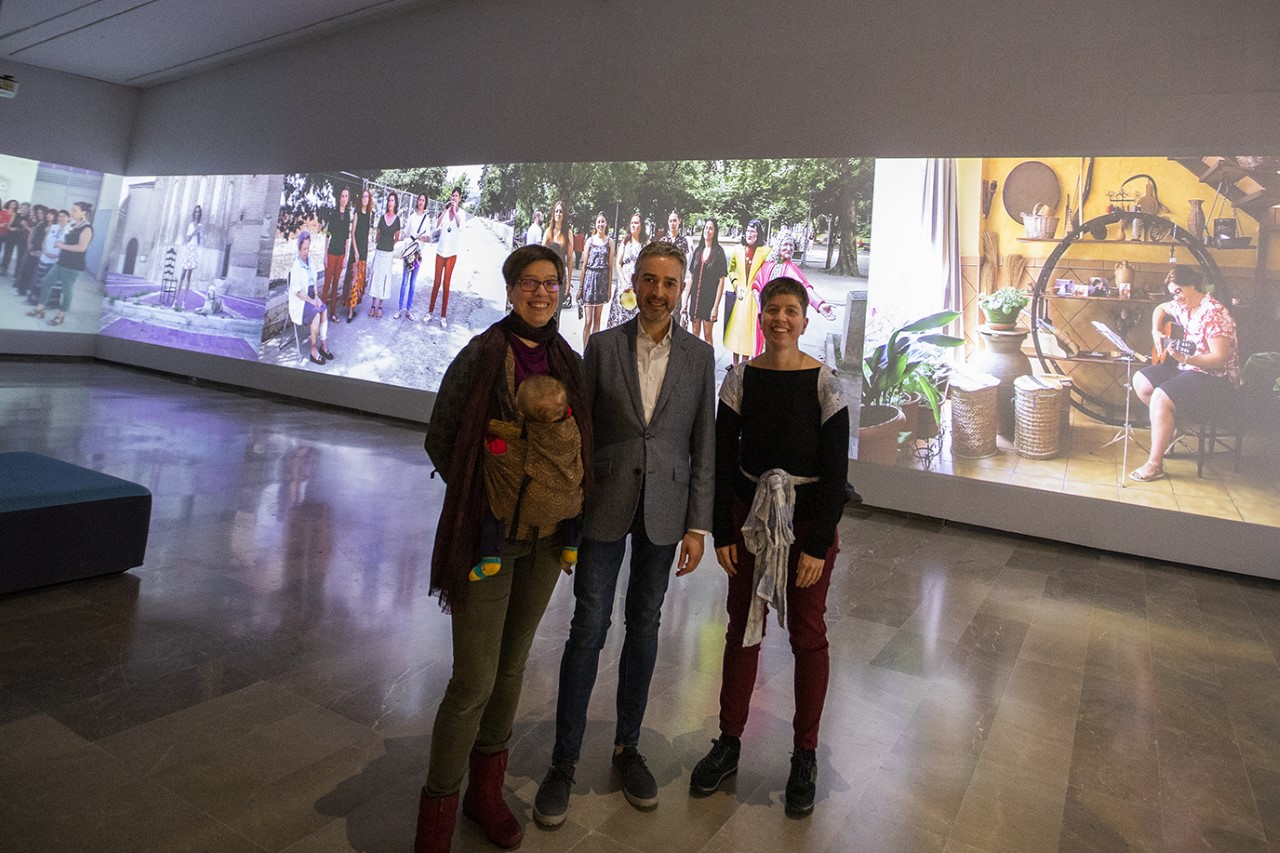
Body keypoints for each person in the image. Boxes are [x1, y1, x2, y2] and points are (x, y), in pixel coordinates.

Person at [416, 244, 592, 853]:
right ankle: (435, 819)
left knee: (513, 667)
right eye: (528, 282)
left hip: (547, 542)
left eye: (550, 282)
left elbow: (580, 444)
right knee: (473, 678)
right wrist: (484, 491)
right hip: (488, 539)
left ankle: (483, 796)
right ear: (510, 288)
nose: (540, 292)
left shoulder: (569, 360)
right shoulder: (483, 354)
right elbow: (443, 435)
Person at [533, 240, 716, 827]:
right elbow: (579, 434)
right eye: (650, 279)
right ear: (633, 283)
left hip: (665, 513)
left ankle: (626, 749)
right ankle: (562, 762)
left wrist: (697, 523)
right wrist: (566, 515)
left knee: (645, 627)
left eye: (670, 282)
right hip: (603, 507)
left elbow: (703, 445)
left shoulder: (699, 356)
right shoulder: (602, 346)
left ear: (682, 289)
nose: (659, 291)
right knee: (587, 627)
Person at [690, 276, 849, 818]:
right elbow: (720, 456)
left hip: (805, 528)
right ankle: (729, 741)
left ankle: (804, 755)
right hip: (749, 519)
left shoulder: (825, 383)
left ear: (805, 319)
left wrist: (818, 544)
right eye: (772, 310)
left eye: (791, 311)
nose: (781, 319)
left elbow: (835, 472)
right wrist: (723, 530)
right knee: (741, 630)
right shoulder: (740, 377)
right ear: (760, 318)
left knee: (808, 634)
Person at [1130, 265, 1239, 482]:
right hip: (1189, 368)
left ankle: (1155, 464)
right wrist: (1156, 331)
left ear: (1192, 285)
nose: (1176, 298)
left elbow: (1219, 358)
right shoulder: (1186, 306)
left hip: (1216, 378)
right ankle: (1174, 427)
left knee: (1161, 396)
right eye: (1173, 293)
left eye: (1179, 291)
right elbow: (1160, 309)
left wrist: (1185, 359)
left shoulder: (1215, 313)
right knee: (1141, 381)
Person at [476, 374, 583, 578]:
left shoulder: (520, 442)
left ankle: (491, 558)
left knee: (494, 508)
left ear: (522, 413)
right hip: (566, 506)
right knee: (574, 505)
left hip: (526, 510)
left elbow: (499, 453)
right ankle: (571, 548)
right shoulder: (573, 430)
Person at [28, 201, 94, 327]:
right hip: (61, 261)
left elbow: (81, 248)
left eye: (74, 210)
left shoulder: (87, 228)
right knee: (46, 281)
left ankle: (60, 316)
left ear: (83, 213)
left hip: (73, 265)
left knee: (66, 290)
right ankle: (40, 309)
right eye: (72, 210)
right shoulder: (74, 225)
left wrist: (62, 245)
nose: (71, 213)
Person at [753, 234, 837, 321]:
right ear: (778, 246)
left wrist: (819, 305)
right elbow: (756, 285)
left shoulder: (790, 268)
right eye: (785, 244)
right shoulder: (767, 265)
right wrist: (759, 301)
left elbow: (804, 288)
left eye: (791, 245)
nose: (788, 249)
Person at [724, 218, 771, 363]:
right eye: (748, 230)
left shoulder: (766, 252)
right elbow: (731, 270)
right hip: (741, 297)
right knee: (735, 332)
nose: (750, 234)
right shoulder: (738, 250)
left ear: (759, 234)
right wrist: (736, 285)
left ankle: (746, 365)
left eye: (753, 231)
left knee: (749, 334)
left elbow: (768, 273)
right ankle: (734, 364)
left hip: (755, 298)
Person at [286, 231, 335, 365]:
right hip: (300, 301)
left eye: (308, 248)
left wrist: (317, 297)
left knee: (323, 309)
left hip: (311, 297)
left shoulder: (310, 260)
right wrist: (312, 301)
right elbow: (298, 293)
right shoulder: (296, 266)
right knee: (316, 315)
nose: (306, 251)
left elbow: (313, 281)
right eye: (304, 249)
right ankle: (313, 351)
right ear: (299, 248)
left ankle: (323, 345)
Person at [685, 216, 729, 346]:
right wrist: (685, 301)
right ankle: (694, 364)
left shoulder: (719, 252)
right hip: (696, 299)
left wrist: (715, 307)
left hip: (709, 301)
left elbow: (721, 281)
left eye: (711, 228)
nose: (707, 231)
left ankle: (708, 364)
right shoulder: (698, 251)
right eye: (706, 228)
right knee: (694, 335)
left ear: (714, 232)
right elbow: (691, 278)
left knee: (707, 337)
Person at [428, 186, 467, 328]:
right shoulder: (446, 210)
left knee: (446, 284)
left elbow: (460, 226)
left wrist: (455, 210)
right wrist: (446, 210)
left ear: (460, 198)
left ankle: (443, 316)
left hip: (451, 254)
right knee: (436, 282)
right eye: (452, 196)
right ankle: (430, 312)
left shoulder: (461, 213)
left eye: (456, 196)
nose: (454, 198)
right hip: (440, 252)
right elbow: (436, 225)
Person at [577, 211, 614, 346]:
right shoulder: (590, 241)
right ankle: (585, 350)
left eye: (602, 221)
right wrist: (580, 287)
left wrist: (609, 288)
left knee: (597, 320)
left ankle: (593, 351)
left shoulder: (610, 242)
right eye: (598, 222)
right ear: (595, 224)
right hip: (589, 281)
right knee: (588, 321)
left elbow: (610, 267)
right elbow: (584, 265)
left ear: (606, 224)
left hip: (602, 281)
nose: (600, 224)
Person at [608, 212, 645, 328]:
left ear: (641, 225)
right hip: (623, 286)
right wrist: (624, 282)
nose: (634, 225)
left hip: (638, 286)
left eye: (637, 223)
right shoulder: (625, 242)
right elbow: (618, 264)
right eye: (632, 223)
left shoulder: (646, 244)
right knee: (620, 318)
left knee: (635, 321)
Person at [322, 186, 353, 322]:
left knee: (335, 285)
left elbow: (347, 237)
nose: (344, 198)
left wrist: (346, 256)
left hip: (341, 254)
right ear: (339, 198)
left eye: (346, 196)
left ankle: (332, 312)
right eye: (342, 196)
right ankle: (321, 313)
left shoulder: (347, 215)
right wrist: (325, 255)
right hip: (331, 253)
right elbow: (327, 234)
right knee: (327, 284)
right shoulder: (334, 213)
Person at [398, 193, 431, 320]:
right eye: (420, 199)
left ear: (425, 202)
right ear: (417, 201)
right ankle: (400, 309)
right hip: (408, 253)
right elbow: (405, 234)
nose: (421, 202)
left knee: (413, 282)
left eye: (423, 200)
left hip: (418, 254)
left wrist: (423, 238)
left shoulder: (427, 219)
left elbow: (428, 238)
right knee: (404, 282)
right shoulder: (411, 216)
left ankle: (408, 310)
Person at [368, 191, 400, 319]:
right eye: (389, 200)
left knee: (385, 279)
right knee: (376, 277)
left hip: (388, 253)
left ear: (395, 203)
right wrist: (380, 241)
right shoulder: (382, 218)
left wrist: (390, 244)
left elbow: (397, 237)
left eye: (392, 200)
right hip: (379, 251)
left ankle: (380, 306)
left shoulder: (397, 220)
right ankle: (373, 305)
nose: (390, 202)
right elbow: (378, 234)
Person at [345, 188, 374, 322]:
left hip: (364, 251)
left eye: (367, 197)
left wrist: (364, 251)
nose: (365, 199)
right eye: (363, 197)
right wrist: (355, 251)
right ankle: (350, 312)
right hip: (355, 251)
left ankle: (354, 307)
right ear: (360, 199)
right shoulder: (356, 213)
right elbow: (353, 234)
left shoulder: (368, 214)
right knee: (354, 280)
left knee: (360, 280)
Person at [544, 200, 574, 322]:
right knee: (545, 309)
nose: (558, 214)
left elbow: (571, 259)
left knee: (556, 312)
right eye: (556, 211)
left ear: (564, 214)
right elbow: (541, 255)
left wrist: (568, 282)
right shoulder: (548, 232)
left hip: (560, 277)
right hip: (546, 276)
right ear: (553, 213)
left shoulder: (568, 233)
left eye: (561, 211)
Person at [659, 209, 690, 323]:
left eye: (675, 221)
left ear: (679, 222)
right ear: (668, 222)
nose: (672, 223)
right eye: (671, 221)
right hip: (663, 282)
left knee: (674, 318)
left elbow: (684, 263)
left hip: (676, 282)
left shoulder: (683, 242)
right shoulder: (663, 241)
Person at [175, 204, 203, 311]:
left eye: (198, 212)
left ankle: (184, 301)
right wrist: (195, 231)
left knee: (188, 278)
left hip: (194, 251)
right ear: (194, 213)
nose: (197, 213)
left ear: (200, 214)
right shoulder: (191, 225)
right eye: (195, 211)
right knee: (182, 276)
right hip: (188, 250)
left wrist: (199, 233)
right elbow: (188, 239)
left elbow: (199, 242)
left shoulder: (200, 225)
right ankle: (175, 300)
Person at [0, 199, 18, 276]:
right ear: (8, 204)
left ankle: (4, 269)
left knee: (8, 253)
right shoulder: (2, 212)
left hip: (9, 235)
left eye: (15, 204)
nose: (13, 205)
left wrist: (7, 226)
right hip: (0, 233)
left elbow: (10, 224)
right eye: (11, 203)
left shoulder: (16, 214)